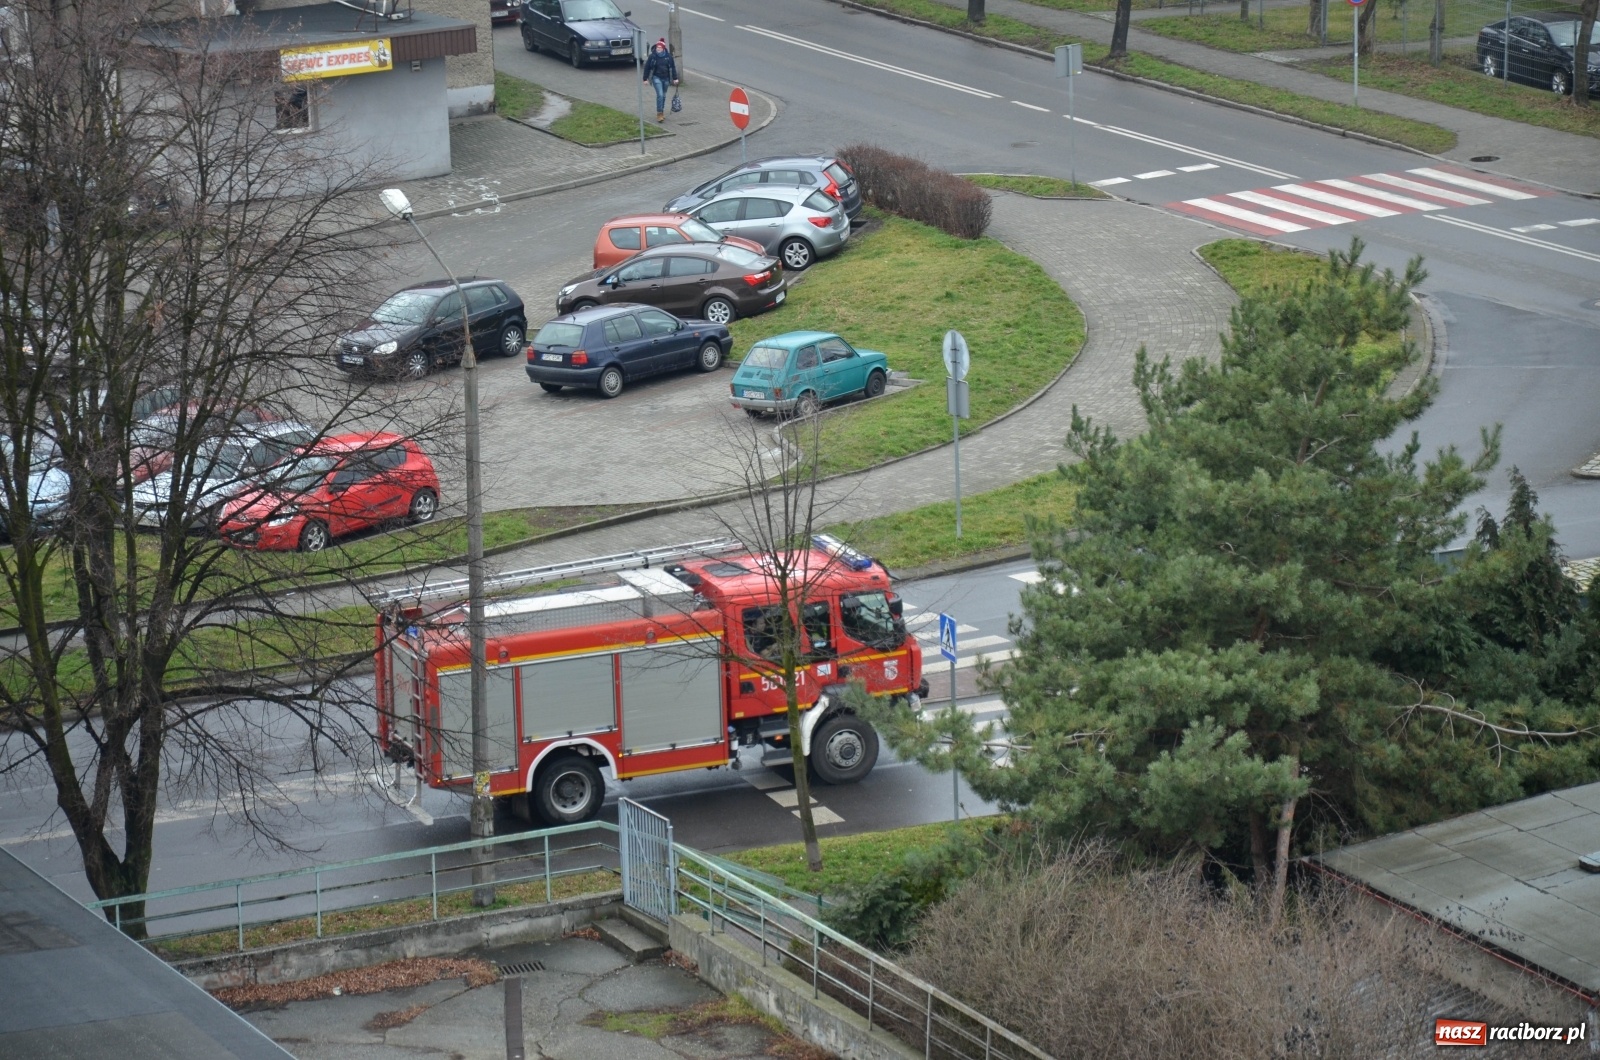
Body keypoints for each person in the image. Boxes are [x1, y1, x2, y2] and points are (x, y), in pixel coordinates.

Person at [641, 38, 678, 124]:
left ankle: (662, 111)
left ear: (663, 48)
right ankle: (659, 114)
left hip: (666, 79)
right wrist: (645, 79)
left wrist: (675, 78)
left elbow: (672, 68)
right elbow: (647, 67)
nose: (658, 49)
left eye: (660, 47)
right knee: (660, 95)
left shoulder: (668, 57)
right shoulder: (652, 56)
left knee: (664, 96)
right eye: (657, 47)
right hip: (656, 78)